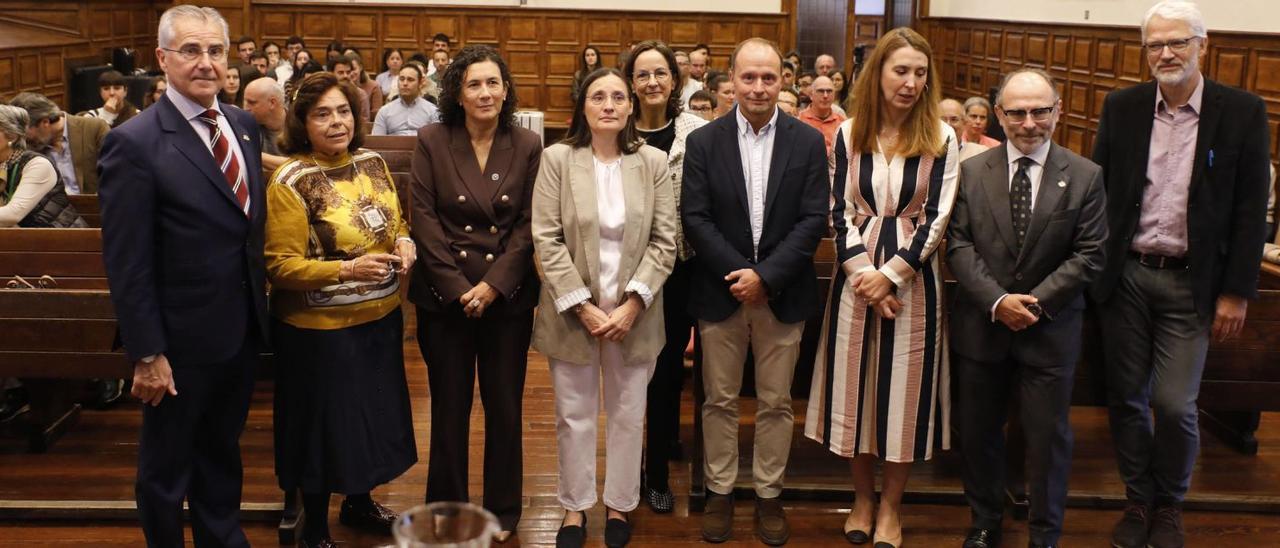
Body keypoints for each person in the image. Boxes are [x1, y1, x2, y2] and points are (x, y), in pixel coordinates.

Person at [1090, 2, 1272, 547]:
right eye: (1154, 45)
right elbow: (1101, 195)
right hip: (1126, 277)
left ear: (1202, 45)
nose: (1165, 54)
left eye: (1177, 43)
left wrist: (1237, 292)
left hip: (1192, 285)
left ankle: (1171, 502)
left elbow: (1249, 211)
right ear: (1143, 50)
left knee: (1173, 403)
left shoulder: (1242, 111)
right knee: (1124, 398)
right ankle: (1138, 500)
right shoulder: (1122, 107)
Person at [97, 6, 269, 546]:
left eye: (215, 51)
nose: (205, 62)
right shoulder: (134, 142)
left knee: (222, 456)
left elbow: (243, 232)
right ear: (162, 58)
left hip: (238, 333)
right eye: (191, 51)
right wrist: (147, 352)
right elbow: (128, 261)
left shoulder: (241, 124)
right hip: (177, 345)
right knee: (166, 474)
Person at [803, 27, 958, 548]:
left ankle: (892, 507)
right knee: (859, 392)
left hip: (913, 281)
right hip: (854, 277)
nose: (911, 82)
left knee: (902, 399)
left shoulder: (941, 135)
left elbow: (937, 218)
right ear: (879, 75)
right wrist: (860, 274)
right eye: (901, 71)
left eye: (920, 73)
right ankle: (863, 498)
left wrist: (890, 275)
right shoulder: (850, 132)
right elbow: (838, 210)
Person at [948, 68, 1108, 548]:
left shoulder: (1085, 175)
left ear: (1057, 112)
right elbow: (957, 244)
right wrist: (998, 301)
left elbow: (1091, 253)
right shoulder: (973, 170)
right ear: (998, 115)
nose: (1028, 122)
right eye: (1016, 112)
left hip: (1049, 330)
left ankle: (1045, 532)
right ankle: (984, 521)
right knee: (977, 433)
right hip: (983, 325)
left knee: (1047, 440)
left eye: (1040, 111)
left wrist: (1034, 303)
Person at [682, 37, 829, 546]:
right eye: (749, 77)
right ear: (731, 81)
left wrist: (766, 277)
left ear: (783, 81)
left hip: (783, 293)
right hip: (721, 292)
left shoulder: (807, 140)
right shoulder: (704, 141)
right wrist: (741, 274)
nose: (760, 86)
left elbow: (814, 219)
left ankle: (769, 493)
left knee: (776, 402)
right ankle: (720, 489)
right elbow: (696, 219)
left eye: (769, 77)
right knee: (718, 400)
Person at [264, 71, 417, 548]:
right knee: (322, 428)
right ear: (302, 123)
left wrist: (406, 240)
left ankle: (358, 500)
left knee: (369, 418)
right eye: (322, 114)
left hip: (380, 319)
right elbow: (280, 267)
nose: (336, 122)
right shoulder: (292, 179)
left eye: (344, 111)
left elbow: (397, 219)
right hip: (319, 331)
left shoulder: (372, 162)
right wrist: (347, 272)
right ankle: (314, 526)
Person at [531, 67, 676, 548]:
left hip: (635, 313)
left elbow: (665, 240)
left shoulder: (652, 162)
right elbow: (546, 239)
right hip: (574, 313)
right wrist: (582, 306)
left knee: (629, 412)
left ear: (631, 105)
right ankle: (574, 508)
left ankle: (619, 504)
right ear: (584, 107)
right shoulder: (557, 159)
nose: (609, 104)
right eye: (599, 97)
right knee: (574, 414)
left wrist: (634, 303)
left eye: (618, 96)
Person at [406, 44, 541, 543]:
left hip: (506, 297)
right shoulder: (431, 139)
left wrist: (492, 285)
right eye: (474, 84)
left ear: (506, 91)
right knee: (449, 408)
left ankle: (503, 510)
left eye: (493, 83)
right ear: (457, 94)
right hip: (445, 299)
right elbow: (424, 219)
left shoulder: (527, 143)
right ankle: (447, 510)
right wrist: (460, 289)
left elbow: (530, 226)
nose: (485, 93)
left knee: (505, 407)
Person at [621, 39, 709, 515]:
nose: (652, 82)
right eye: (642, 74)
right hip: (624, 270)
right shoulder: (617, 131)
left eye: (660, 73)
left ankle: (656, 473)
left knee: (668, 369)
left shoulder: (697, 132)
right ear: (630, 82)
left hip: (679, 271)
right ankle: (624, 468)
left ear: (674, 81)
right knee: (628, 373)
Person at [0, 105, 88, 228]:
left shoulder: (38, 165)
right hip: (22, 242)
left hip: (63, 241)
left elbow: (12, 215)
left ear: (12, 136)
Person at [10, 92, 110, 195]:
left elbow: (114, 174)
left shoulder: (95, 128)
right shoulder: (27, 146)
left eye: (23, 131)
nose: (21, 137)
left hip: (94, 207)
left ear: (45, 122)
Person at [371, 63, 441, 135]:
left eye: (410, 80)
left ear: (420, 84)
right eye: (401, 79)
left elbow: (437, 142)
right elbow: (377, 141)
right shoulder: (384, 111)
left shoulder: (432, 111)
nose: (405, 83)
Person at [242, 76, 287, 171]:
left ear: (272, 103)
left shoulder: (300, 124)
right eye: (245, 101)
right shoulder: (245, 124)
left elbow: (300, 165)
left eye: (252, 103)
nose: (245, 108)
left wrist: (251, 153)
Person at [797, 75, 846, 157]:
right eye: (821, 91)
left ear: (834, 95)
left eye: (829, 91)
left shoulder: (842, 123)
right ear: (811, 95)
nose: (825, 96)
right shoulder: (799, 120)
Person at [330, 55, 371, 121]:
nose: (345, 76)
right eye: (341, 73)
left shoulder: (360, 94)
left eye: (348, 72)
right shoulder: (325, 92)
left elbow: (364, 121)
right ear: (331, 73)